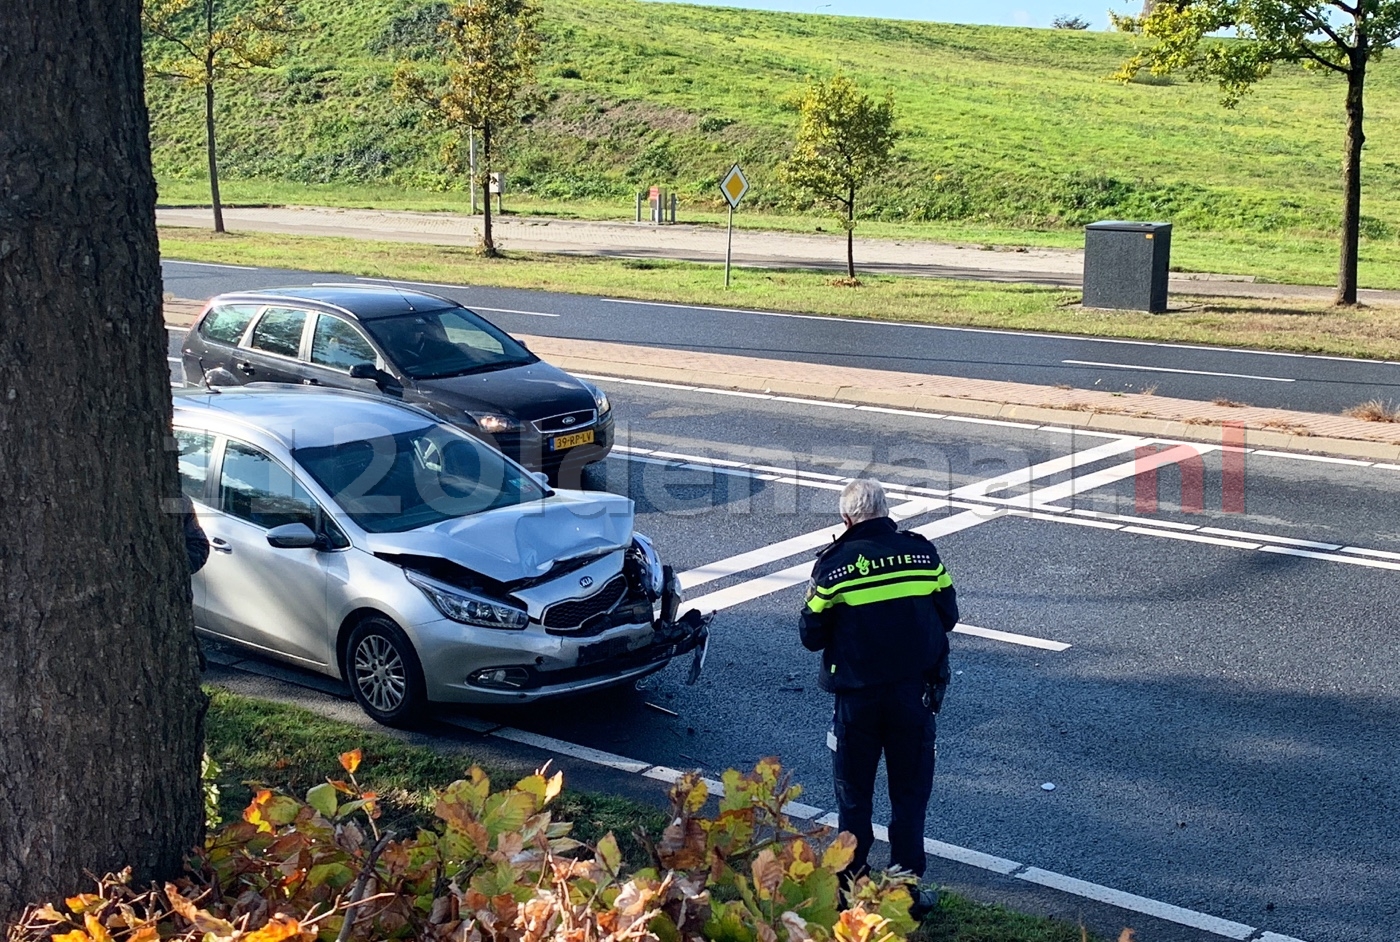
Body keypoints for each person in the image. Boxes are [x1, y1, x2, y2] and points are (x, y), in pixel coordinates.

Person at [799, 479, 958, 918]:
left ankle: (851, 889)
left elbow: (810, 635)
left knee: (854, 798)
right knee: (909, 798)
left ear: (847, 519)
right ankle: (905, 893)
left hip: (857, 703)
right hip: (914, 698)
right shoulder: (923, 553)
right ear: (887, 510)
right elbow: (949, 614)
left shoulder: (833, 566)